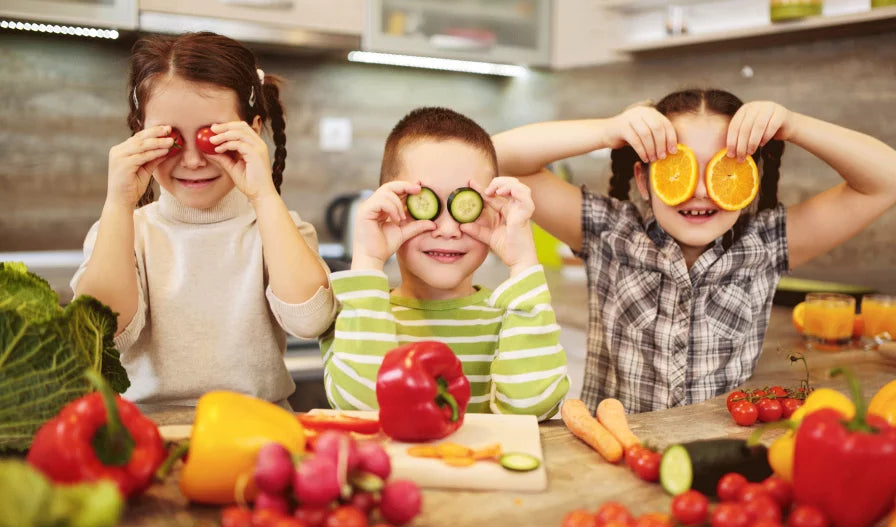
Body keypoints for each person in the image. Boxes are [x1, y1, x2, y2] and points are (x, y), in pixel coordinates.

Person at [492, 89, 896, 413]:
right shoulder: (609, 231)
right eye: (679, 167)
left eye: (723, 168)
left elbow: (893, 177)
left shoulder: (765, 243)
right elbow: (495, 155)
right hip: (614, 454)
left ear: (748, 178)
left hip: (719, 458)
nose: (699, 190)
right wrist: (607, 130)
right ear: (644, 180)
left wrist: (794, 125)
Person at [71, 32, 335, 410]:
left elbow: (310, 320)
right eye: (170, 139)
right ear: (139, 135)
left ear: (253, 131)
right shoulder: (121, 233)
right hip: (146, 439)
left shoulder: (278, 229)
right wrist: (118, 203)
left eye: (212, 137)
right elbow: (100, 338)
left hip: (258, 432)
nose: (193, 161)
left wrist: (264, 196)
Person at [320, 107, 569, 419]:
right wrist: (369, 260)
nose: (449, 230)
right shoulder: (358, 311)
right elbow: (360, 408)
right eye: (426, 203)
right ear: (390, 205)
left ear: (494, 208)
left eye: (466, 203)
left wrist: (523, 263)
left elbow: (533, 407)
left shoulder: (514, 314)